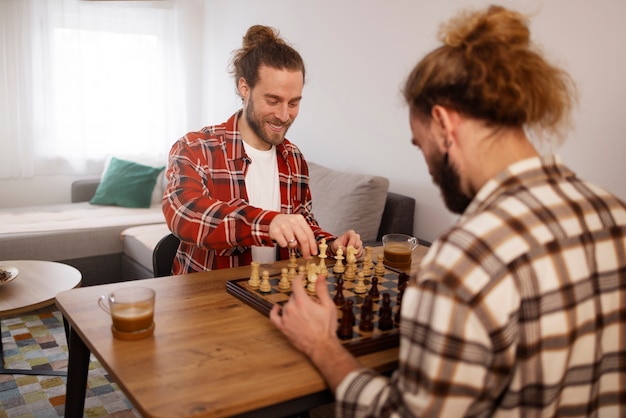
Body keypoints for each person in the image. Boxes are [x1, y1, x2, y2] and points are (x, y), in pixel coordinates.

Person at [270, 5, 626, 417]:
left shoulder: (461, 263)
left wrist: (322, 345)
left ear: (443, 123)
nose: (427, 166)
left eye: (421, 145)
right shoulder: (613, 214)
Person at [162, 25, 362, 274]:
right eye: (273, 100)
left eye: (294, 103)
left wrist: (330, 245)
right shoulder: (194, 147)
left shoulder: (294, 158)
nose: (284, 115)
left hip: (273, 296)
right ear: (244, 88)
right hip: (208, 302)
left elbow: (302, 225)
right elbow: (185, 215)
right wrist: (268, 223)